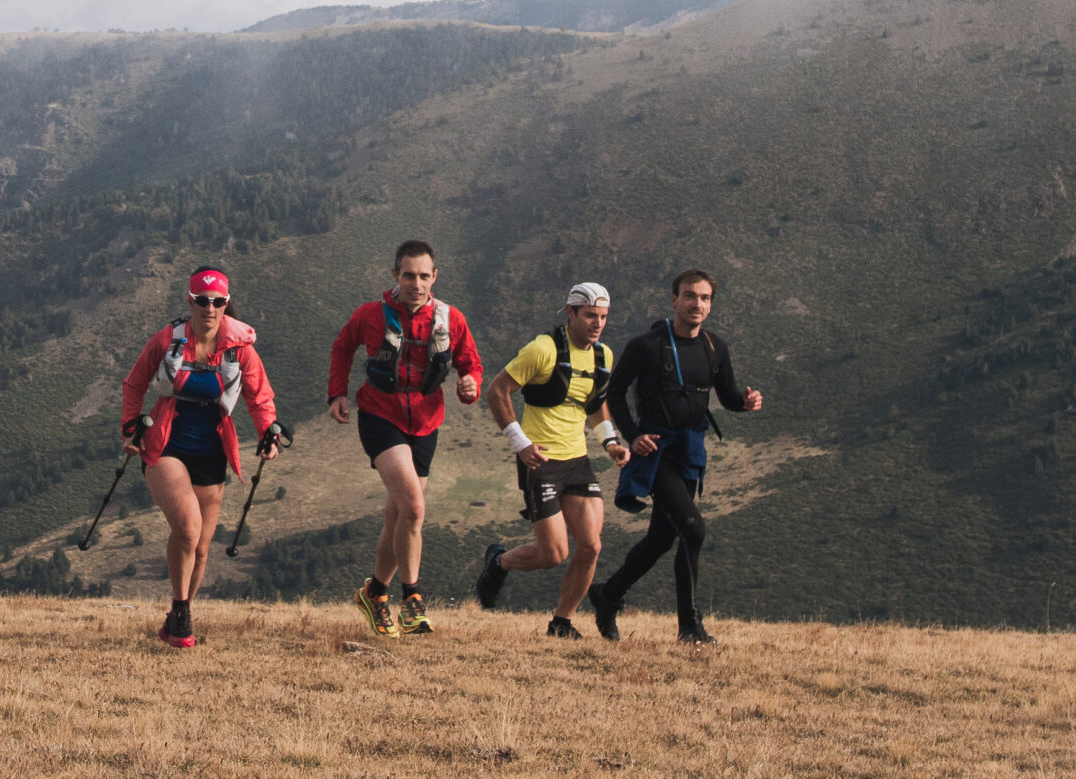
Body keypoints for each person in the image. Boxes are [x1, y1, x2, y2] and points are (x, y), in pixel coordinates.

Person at [589, 269, 763, 646]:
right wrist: (633, 438)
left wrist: (746, 403)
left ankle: (608, 593)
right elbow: (613, 394)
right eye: (689, 296)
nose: (696, 304)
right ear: (674, 300)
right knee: (694, 529)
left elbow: (728, 396)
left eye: (704, 298)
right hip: (657, 453)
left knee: (660, 540)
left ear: (710, 304)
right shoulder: (646, 346)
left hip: (690, 452)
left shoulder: (716, 348)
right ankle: (689, 626)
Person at [325, 240, 481, 637]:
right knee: (413, 506)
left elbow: (471, 365)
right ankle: (412, 599)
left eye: (424, 276)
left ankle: (375, 593)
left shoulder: (450, 319)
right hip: (380, 415)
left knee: (398, 514)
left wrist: (470, 385)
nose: (416, 283)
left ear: (435, 277)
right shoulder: (370, 315)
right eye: (408, 275)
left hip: (426, 423)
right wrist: (337, 393)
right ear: (395, 275)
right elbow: (343, 347)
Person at [122, 268, 283, 648]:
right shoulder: (166, 340)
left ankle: (179, 615)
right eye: (202, 301)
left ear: (226, 303)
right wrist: (130, 427)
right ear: (190, 301)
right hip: (165, 445)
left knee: (201, 546)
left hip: (213, 450)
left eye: (218, 302)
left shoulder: (241, 347)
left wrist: (268, 433)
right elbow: (135, 382)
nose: (210, 309)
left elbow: (260, 398)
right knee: (188, 525)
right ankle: (181, 613)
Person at [476, 282, 630, 637]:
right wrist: (521, 443)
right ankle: (499, 562)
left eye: (603, 317)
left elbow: (593, 405)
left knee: (591, 546)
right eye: (590, 315)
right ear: (570, 313)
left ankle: (562, 622)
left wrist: (610, 443)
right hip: (540, 462)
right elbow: (497, 391)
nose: (597, 323)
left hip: (577, 461)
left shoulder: (602, 355)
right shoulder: (542, 349)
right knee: (554, 555)